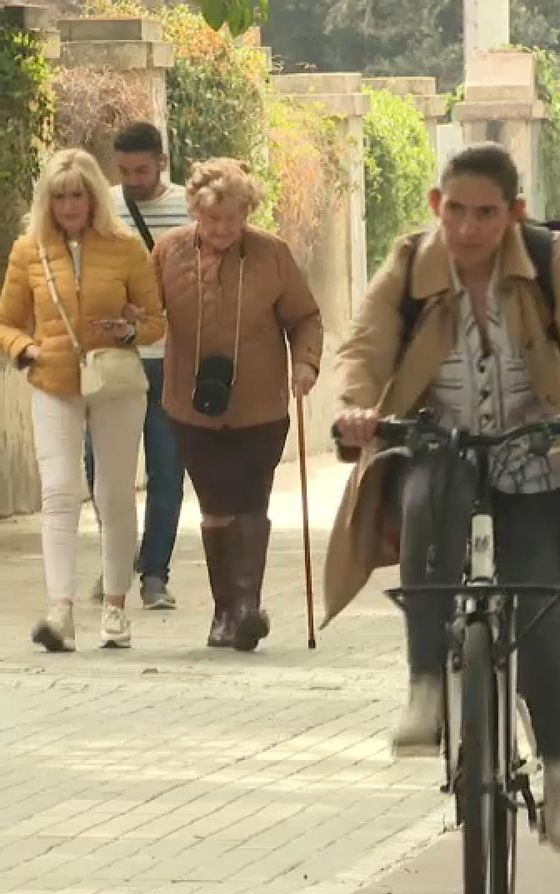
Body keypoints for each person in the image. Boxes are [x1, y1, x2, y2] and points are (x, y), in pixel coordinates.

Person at [327, 143, 560, 855]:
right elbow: (366, 344)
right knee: (423, 497)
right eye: (456, 211)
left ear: (514, 213)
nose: (468, 228)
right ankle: (425, 684)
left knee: (539, 615)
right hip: (440, 439)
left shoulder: (548, 259)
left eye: (485, 214)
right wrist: (355, 407)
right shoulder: (410, 264)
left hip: (535, 449)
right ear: (436, 206)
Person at [152, 158, 323, 651]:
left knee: (252, 500)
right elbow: (145, 311)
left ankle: (247, 607)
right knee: (215, 504)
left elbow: (305, 317)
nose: (223, 229)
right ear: (194, 211)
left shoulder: (273, 254)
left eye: (233, 218)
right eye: (212, 218)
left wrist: (306, 363)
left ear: (248, 211)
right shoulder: (168, 253)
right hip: (190, 403)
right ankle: (224, 612)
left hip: (260, 402)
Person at [0, 148, 165, 652]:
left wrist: (128, 329)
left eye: (78, 195)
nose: (70, 206)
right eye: (60, 197)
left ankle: (115, 609)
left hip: (114, 382)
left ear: (94, 198)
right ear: (47, 201)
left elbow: (157, 321)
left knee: (114, 495)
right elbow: (6, 322)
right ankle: (60, 611)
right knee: (59, 492)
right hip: (53, 382)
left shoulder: (126, 247)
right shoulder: (28, 250)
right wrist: (25, 349)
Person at [81, 121, 192, 612]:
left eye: (141, 170)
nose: (131, 180)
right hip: (114, 361)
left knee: (167, 472)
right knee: (101, 470)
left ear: (162, 163)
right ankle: (117, 561)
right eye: (123, 171)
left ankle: (155, 575)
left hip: (170, 362)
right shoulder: (102, 207)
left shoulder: (190, 208)